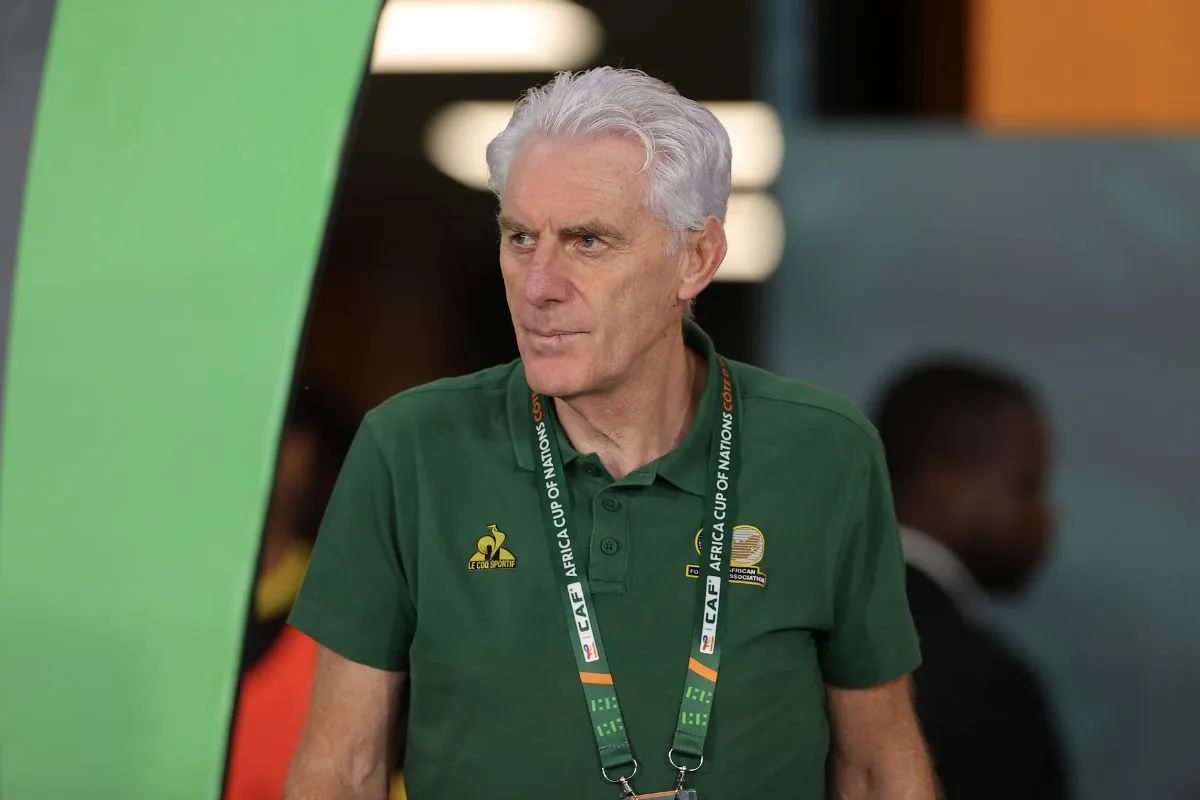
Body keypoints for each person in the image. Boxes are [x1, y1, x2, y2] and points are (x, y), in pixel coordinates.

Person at [284, 67, 936, 800]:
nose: (538, 284)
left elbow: (878, 769)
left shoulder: (824, 451)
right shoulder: (409, 447)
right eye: (520, 237)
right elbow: (342, 770)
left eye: (587, 241)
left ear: (696, 258)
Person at [872, 360, 1069, 800]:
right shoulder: (986, 685)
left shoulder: (794, 634)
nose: (1048, 515)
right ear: (942, 484)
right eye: (1027, 485)